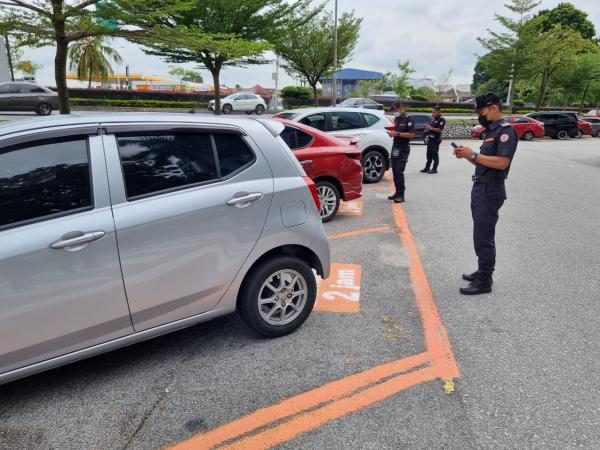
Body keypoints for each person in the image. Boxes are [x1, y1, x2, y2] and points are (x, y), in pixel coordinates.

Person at [453, 92, 518, 295]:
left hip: (491, 189)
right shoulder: (491, 131)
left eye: (481, 112)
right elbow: (483, 162)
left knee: (484, 236)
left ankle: (485, 280)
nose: (479, 116)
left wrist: (473, 154)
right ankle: (482, 270)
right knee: (479, 233)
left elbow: (501, 163)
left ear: (493, 108)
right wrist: (467, 155)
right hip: (481, 187)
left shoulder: (506, 131)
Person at [387, 102, 415, 203]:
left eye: (395, 110)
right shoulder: (397, 118)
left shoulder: (408, 118)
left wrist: (397, 134)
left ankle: (401, 195)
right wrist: (392, 133)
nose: (394, 112)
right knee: (394, 171)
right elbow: (396, 131)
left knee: (399, 171)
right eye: (393, 110)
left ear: (400, 108)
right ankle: (397, 192)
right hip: (395, 146)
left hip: (403, 148)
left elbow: (411, 135)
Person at [421, 106, 446, 174]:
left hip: (435, 139)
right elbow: (431, 128)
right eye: (432, 112)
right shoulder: (434, 119)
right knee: (428, 154)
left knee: (435, 154)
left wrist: (430, 128)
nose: (432, 113)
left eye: (433, 112)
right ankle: (427, 167)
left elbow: (440, 130)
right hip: (430, 139)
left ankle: (434, 168)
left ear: (438, 112)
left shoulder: (442, 120)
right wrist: (427, 127)